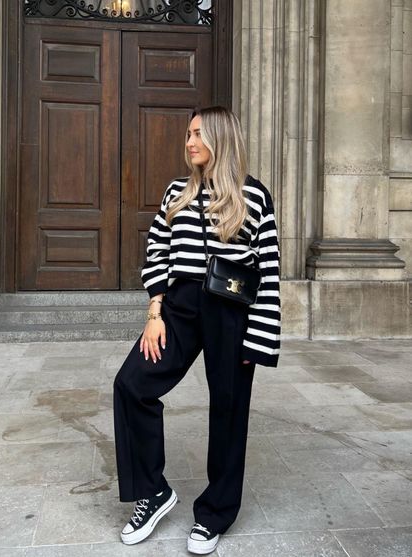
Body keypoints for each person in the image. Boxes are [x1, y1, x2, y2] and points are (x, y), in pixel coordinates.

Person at [113, 106, 281, 554]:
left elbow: (268, 270)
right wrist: (154, 312)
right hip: (181, 307)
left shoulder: (254, 196)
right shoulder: (176, 192)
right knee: (132, 384)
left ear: (221, 138)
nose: (189, 143)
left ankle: (215, 514)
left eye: (198, 135)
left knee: (229, 410)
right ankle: (153, 491)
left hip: (233, 313)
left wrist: (260, 339)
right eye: (188, 134)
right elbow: (157, 253)